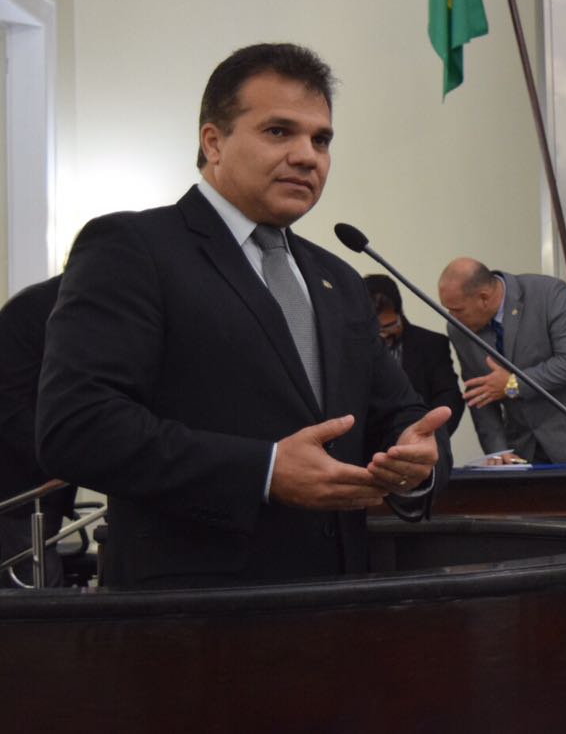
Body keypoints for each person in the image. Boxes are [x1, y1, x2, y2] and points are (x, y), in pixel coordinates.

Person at [36, 43, 452, 590]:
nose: (307, 155)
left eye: (321, 139)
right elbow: (77, 426)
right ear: (214, 141)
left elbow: (400, 413)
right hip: (195, 617)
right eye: (279, 131)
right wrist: (264, 470)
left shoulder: (341, 278)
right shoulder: (135, 248)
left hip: (342, 606)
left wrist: (417, 459)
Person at [437, 257, 566, 465]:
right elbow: (479, 394)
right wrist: (498, 451)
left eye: (457, 309)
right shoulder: (459, 330)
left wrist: (513, 384)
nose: (452, 317)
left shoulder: (549, 294)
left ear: (484, 297)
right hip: (524, 447)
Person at [0, 275, 75, 587]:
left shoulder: (67, 308)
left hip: (44, 490)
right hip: (18, 491)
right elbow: (7, 406)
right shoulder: (32, 311)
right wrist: (59, 459)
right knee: (36, 598)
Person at [364, 274, 464, 436]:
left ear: (400, 313)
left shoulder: (432, 344)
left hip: (421, 440)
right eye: (376, 331)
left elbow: (449, 396)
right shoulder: (349, 349)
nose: (383, 336)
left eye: (389, 326)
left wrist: (432, 435)